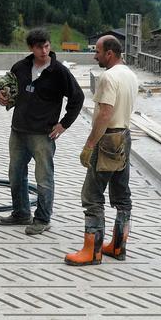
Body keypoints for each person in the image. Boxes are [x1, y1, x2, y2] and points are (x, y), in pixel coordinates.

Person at [0, 28, 84, 235]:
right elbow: (9, 92)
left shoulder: (59, 72)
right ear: (31, 48)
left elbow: (77, 98)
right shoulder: (20, 68)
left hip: (43, 134)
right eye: (39, 47)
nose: (44, 51)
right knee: (16, 174)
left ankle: (42, 218)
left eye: (46, 46)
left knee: (43, 179)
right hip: (18, 131)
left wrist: (63, 124)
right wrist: (1, 96)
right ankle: (20, 213)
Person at [65, 34, 139, 266]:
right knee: (121, 195)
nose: (95, 55)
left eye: (97, 51)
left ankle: (92, 251)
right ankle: (118, 246)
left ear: (109, 53)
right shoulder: (130, 74)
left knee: (91, 195)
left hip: (107, 139)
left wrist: (89, 145)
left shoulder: (108, 77)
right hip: (124, 137)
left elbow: (105, 113)